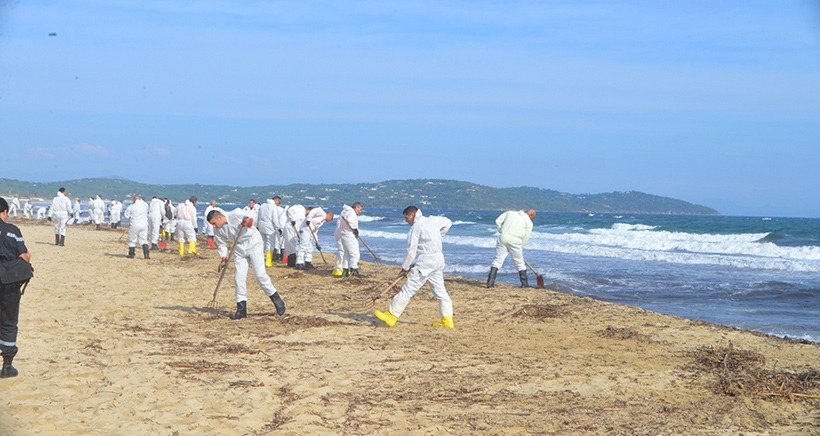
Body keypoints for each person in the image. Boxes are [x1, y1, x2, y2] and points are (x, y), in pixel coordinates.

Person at [374, 206, 454, 329]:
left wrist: (404, 268)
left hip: (426, 261)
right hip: (438, 259)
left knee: (408, 289)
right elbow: (448, 222)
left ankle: (391, 315)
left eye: (406, 218)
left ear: (412, 215)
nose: (406, 221)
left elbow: (411, 252)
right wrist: (439, 236)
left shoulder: (415, 228)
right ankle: (447, 320)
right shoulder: (433, 220)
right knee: (440, 291)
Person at [207, 209, 286, 320]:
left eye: (214, 223)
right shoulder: (218, 230)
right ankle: (241, 309)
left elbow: (251, 215)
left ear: (219, 217)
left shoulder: (235, 214)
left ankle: (277, 300)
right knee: (239, 278)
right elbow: (222, 244)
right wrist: (223, 258)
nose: (214, 226)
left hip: (254, 243)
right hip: (239, 248)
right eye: (212, 225)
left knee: (260, 275)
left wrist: (249, 221)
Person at [0, 197, 32, 378]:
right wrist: (28, 255)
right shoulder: (12, 231)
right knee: (9, 321)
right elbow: (24, 256)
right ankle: (7, 366)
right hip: (8, 280)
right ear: (4, 212)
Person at [487, 209, 536, 288]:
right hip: (516, 241)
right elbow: (526, 236)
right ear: (531, 216)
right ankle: (524, 284)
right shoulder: (529, 222)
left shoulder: (510, 213)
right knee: (519, 262)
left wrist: (501, 230)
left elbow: (497, 221)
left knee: (497, 260)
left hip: (503, 238)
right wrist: (521, 247)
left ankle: (490, 283)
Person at [333, 202, 363, 278]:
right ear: (356, 207)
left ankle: (345, 270)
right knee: (354, 253)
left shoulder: (345, 211)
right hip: (349, 235)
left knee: (346, 254)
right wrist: (355, 229)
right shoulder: (351, 212)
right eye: (360, 209)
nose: (360, 211)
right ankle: (354, 270)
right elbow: (350, 220)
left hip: (343, 234)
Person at [124, 195, 150, 259]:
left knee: (132, 239)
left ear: (134, 200)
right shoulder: (145, 206)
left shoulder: (131, 207)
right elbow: (146, 206)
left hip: (134, 224)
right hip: (144, 224)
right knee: (144, 239)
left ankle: (131, 254)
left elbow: (126, 216)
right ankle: (146, 254)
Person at [256, 197, 277, 267]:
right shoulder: (273, 207)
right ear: (275, 201)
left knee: (262, 242)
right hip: (269, 226)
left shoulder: (262, 206)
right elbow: (275, 219)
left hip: (261, 225)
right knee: (270, 243)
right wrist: (278, 228)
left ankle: (260, 260)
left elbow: (258, 217)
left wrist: (257, 225)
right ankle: (268, 261)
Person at [270, 196, 286, 263]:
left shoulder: (280, 210)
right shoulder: (276, 209)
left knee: (279, 242)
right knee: (277, 242)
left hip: (278, 227)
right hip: (276, 227)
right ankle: (277, 256)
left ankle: (279, 256)